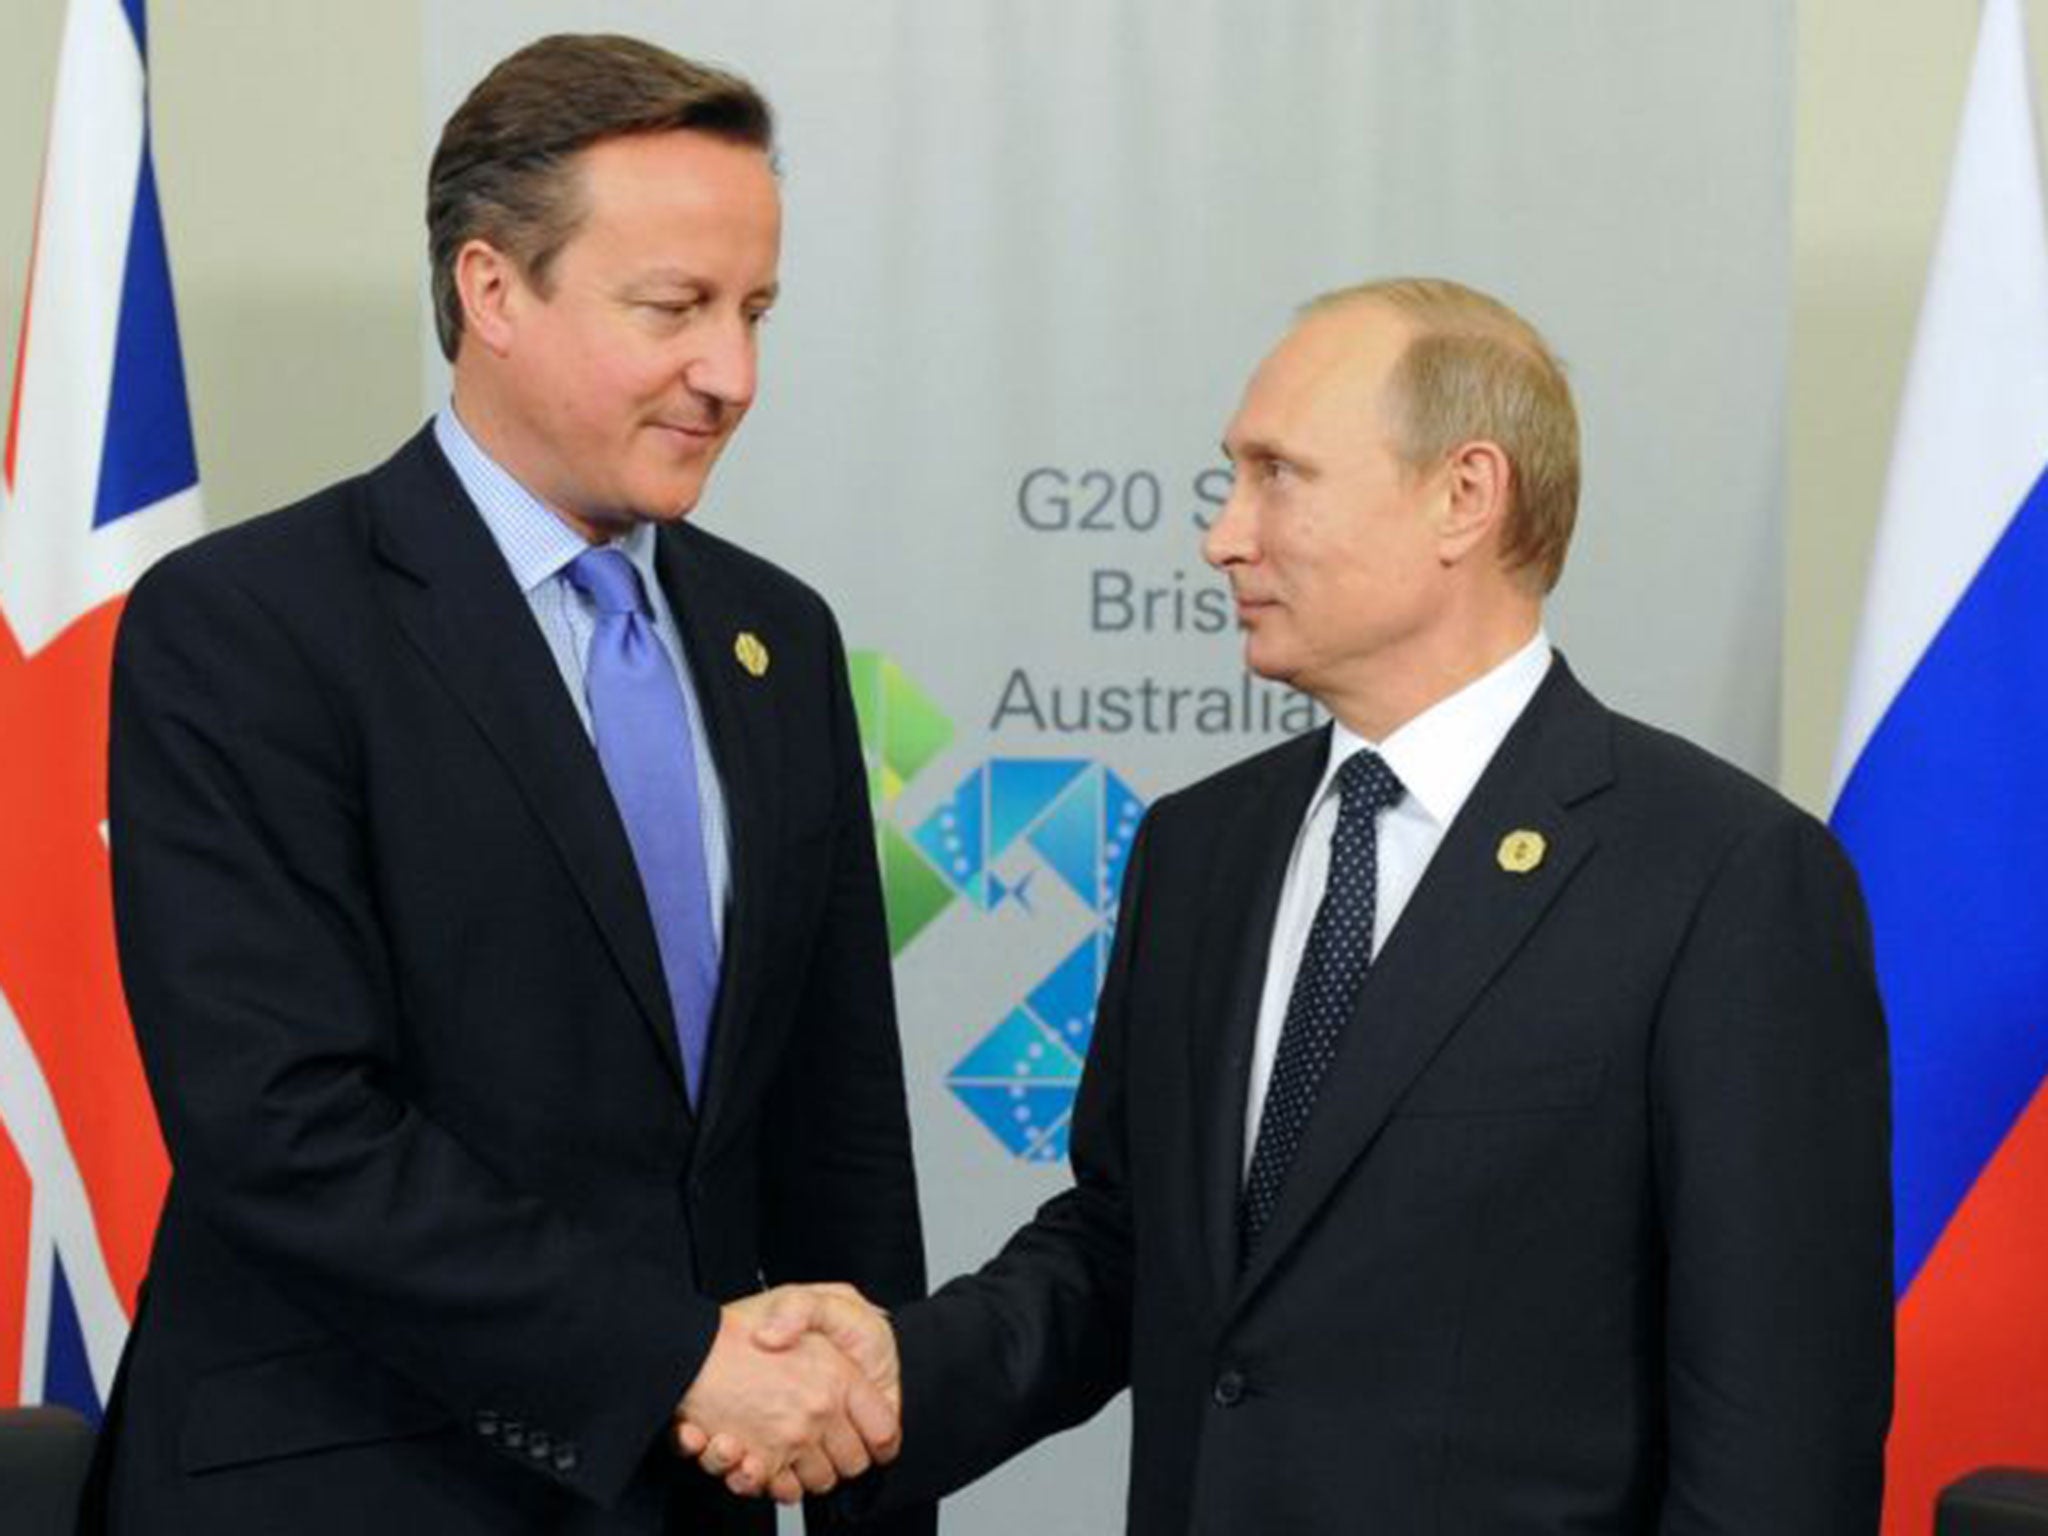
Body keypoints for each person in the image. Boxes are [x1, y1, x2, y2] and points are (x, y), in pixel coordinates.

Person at [709, 278, 1894, 1532]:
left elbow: (1778, 1436)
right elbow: (1128, 1246)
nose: (1223, 535)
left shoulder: (1719, 877)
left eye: (1277, 475)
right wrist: (899, 1371)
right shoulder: (1198, 849)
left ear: (1463, 495)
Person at [95, 33, 928, 1535]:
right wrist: (678, 1358)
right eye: (672, 308)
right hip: (346, 1489)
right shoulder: (252, 624)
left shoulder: (774, 638)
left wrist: (875, 1488)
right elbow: (282, 1125)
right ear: (491, 292)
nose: (730, 374)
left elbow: (836, 1126)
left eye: (753, 312)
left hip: (693, 1498)